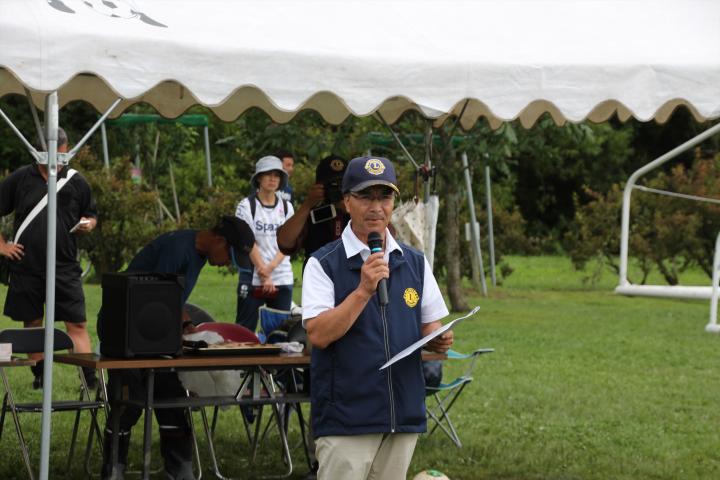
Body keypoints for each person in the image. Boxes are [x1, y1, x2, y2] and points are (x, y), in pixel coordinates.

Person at [302, 156, 454, 480]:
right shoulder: (323, 264)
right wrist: (362, 291)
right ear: (346, 202)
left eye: (384, 197)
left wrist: (440, 338)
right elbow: (318, 334)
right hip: (347, 417)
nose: (376, 207)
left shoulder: (414, 262)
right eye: (365, 196)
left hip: (402, 412)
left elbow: (430, 325)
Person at [98, 215, 255, 480]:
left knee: (172, 399)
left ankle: (179, 469)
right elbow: (153, 294)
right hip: (125, 331)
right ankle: (114, 469)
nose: (228, 262)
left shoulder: (197, 253)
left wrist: (187, 327)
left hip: (152, 332)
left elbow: (169, 297)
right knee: (129, 402)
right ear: (219, 240)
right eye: (230, 254)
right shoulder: (178, 250)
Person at [0, 127, 98, 389]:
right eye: (55, 153)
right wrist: (2, 246)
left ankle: (88, 380)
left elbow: (91, 214)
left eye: (63, 154)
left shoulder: (77, 181)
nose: (59, 159)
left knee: (76, 323)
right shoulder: (21, 178)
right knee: (33, 322)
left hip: (64, 267)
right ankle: (41, 376)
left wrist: (89, 223)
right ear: (38, 151)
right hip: (26, 266)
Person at [235, 155, 294, 331]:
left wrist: (271, 269)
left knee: (280, 334)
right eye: (267, 174)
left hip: (282, 276)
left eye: (277, 175)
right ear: (259, 178)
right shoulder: (246, 206)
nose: (272, 179)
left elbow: (289, 241)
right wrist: (264, 273)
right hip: (253, 277)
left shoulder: (287, 207)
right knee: (244, 332)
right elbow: (247, 241)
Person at [276, 155, 349, 267]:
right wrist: (307, 205)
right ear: (318, 185)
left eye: (342, 185)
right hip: (316, 277)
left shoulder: (359, 209)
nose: (338, 190)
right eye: (331, 185)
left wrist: (352, 208)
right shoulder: (312, 211)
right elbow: (285, 243)